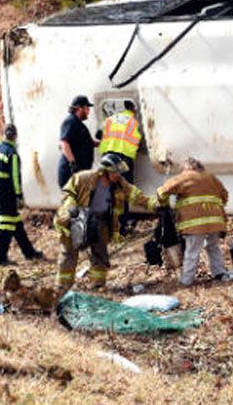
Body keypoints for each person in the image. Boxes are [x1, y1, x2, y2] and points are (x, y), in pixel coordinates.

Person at [53, 153, 157, 292]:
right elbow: (68, 192)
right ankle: (62, 287)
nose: (118, 175)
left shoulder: (119, 183)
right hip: (77, 218)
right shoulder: (84, 178)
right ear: (105, 171)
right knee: (69, 253)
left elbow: (136, 196)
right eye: (115, 172)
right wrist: (71, 208)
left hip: (100, 221)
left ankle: (98, 285)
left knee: (100, 253)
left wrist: (154, 204)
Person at [157, 157, 228, 286]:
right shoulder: (211, 177)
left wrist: (162, 203)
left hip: (195, 224)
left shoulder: (184, 177)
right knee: (213, 247)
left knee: (192, 251)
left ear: (186, 167)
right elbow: (224, 196)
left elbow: (163, 191)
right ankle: (219, 273)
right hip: (215, 222)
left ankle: (186, 281)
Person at [0, 124, 43, 266]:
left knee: (16, 223)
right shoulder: (12, 153)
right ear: (15, 137)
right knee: (6, 226)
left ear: (4, 134)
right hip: (7, 194)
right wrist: (19, 195)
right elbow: (15, 177)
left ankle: (29, 252)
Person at [98, 101, 143, 236]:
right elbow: (137, 142)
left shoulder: (110, 119)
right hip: (122, 160)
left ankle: (106, 227)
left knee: (109, 192)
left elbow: (101, 137)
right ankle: (121, 228)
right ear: (133, 109)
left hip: (107, 159)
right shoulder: (133, 121)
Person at [58, 95, 97, 189]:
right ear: (80, 108)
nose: (89, 111)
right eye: (87, 108)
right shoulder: (70, 122)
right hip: (71, 173)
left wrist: (105, 141)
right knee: (74, 202)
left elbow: (89, 143)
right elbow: (64, 143)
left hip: (80, 173)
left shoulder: (78, 124)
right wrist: (73, 164)